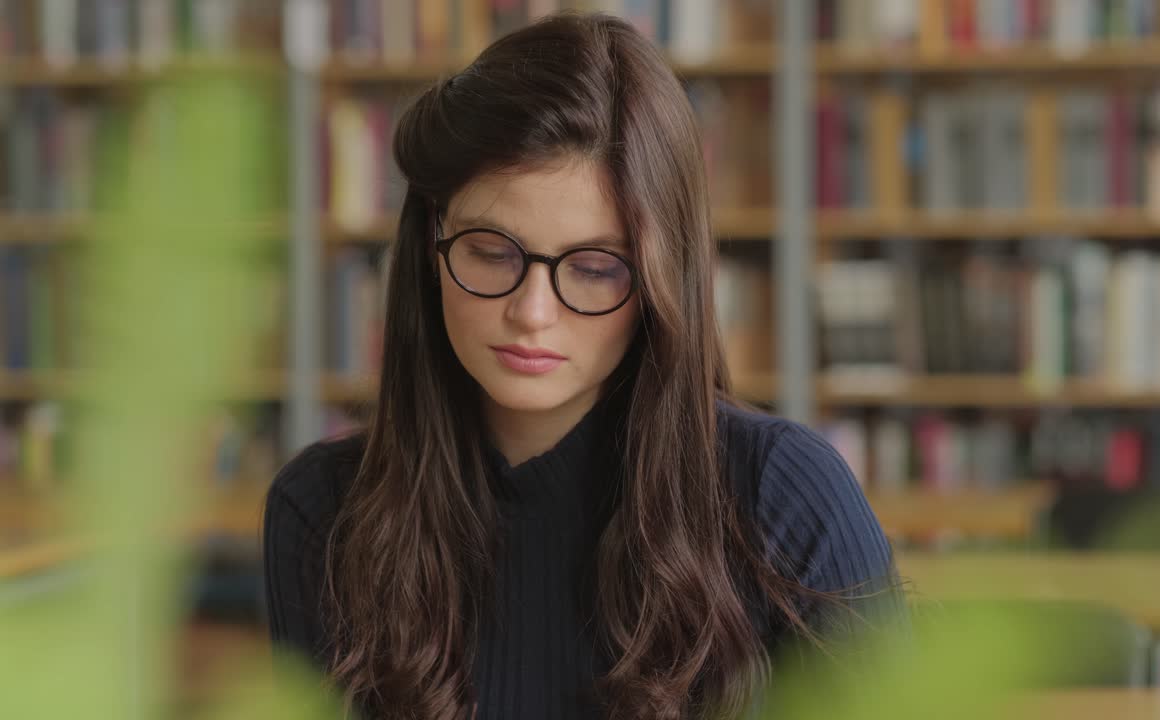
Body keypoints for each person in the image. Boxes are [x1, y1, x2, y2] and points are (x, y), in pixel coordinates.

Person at [263, 12, 900, 720]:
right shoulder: (321, 513)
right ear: (429, 246)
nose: (533, 311)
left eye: (596, 268)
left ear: (663, 280)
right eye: (492, 252)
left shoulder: (784, 497)